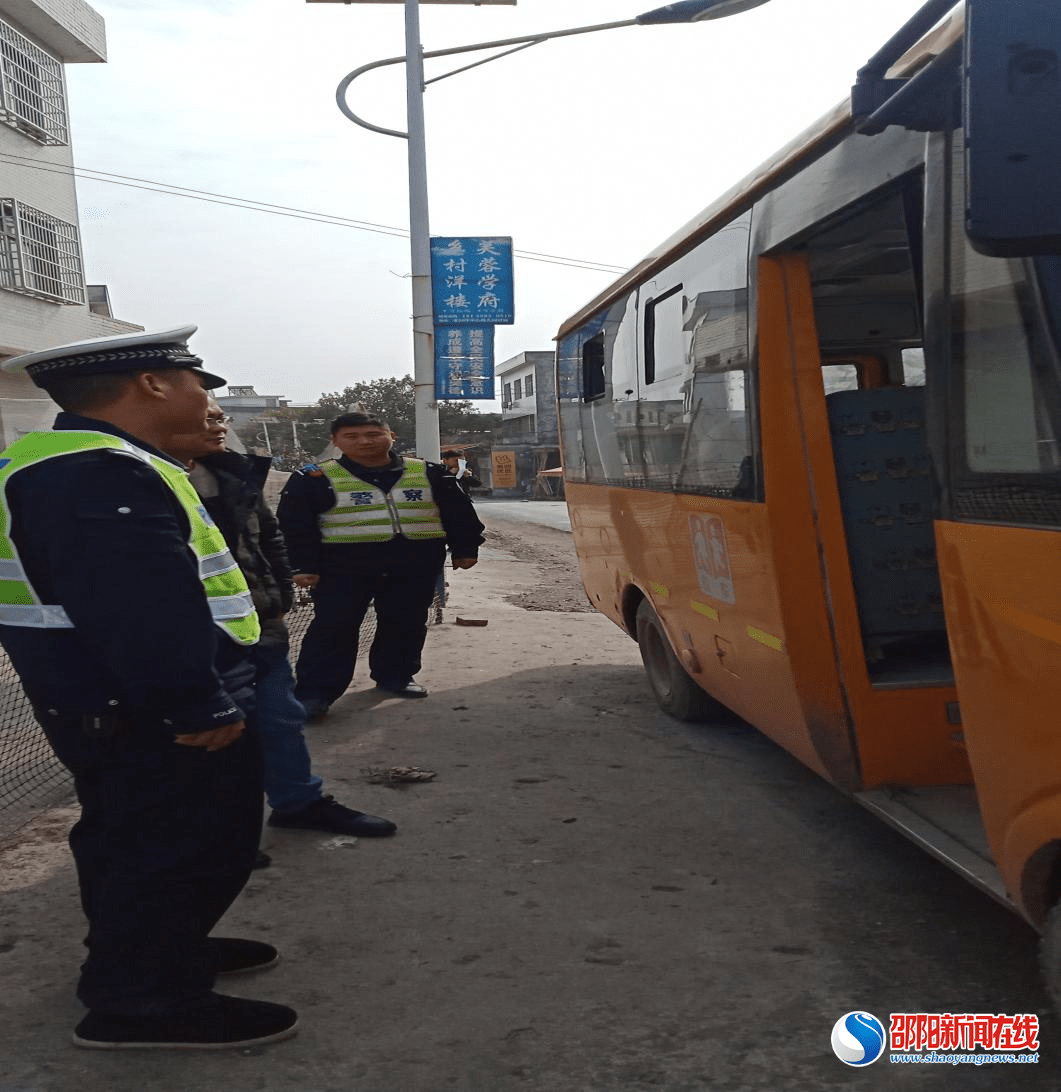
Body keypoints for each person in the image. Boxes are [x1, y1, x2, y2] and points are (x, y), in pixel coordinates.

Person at [0, 327, 297, 1050]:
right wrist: (194, 701)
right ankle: (141, 1002)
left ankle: (154, 952)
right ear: (153, 384)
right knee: (182, 846)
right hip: (148, 704)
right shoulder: (99, 470)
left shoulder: (76, 460)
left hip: (110, 698)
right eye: (197, 381)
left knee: (130, 836)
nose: (206, 398)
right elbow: (139, 607)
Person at [165, 404, 397, 839]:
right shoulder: (134, 478)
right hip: (187, 635)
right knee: (209, 733)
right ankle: (218, 833)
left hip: (256, 625)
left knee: (280, 721)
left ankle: (298, 803)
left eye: (220, 419)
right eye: (206, 418)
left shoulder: (233, 473)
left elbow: (269, 536)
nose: (218, 427)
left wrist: (279, 596)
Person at [277, 412, 485, 718]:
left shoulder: (429, 473)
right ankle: (314, 695)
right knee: (334, 627)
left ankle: (396, 676)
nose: (364, 441)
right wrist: (302, 565)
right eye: (352, 436)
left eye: (373, 434)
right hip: (343, 567)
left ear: (391, 437)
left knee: (407, 622)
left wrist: (465, 548)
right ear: (335, 442)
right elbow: (295, 526)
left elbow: (458, 513)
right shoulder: (313, 479)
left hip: (413, 563)